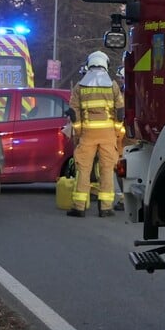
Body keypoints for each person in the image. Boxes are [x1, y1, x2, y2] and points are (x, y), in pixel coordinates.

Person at [66, 50, 124, 218]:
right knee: (107, 170)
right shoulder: (113, 85)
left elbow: (73, 113)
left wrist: (78, 132)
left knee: (83, 170)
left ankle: (79, 207)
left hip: (87, 134)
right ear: (105, 64)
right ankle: (105, 208)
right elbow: (120, 112)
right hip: (108, 135)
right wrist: (117, 132)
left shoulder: (79, 86)